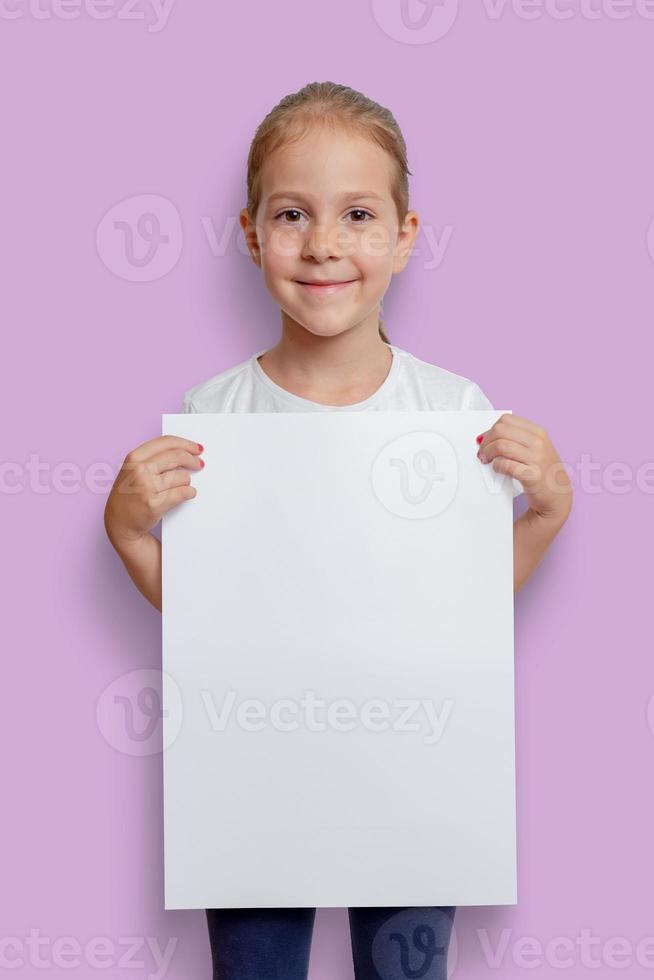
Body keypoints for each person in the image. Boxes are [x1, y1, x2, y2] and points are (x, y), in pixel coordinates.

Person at [104, 81, 573, 980]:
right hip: (254, 784)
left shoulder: (452, 412)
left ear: (405, 235)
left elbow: (460, 608)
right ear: (249, 233)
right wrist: (132, 540)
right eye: (292, 214)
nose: (323, 243)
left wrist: (545, 516)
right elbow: (211, 623)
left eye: (358, 213)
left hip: (412, 773)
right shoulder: (212, 416)